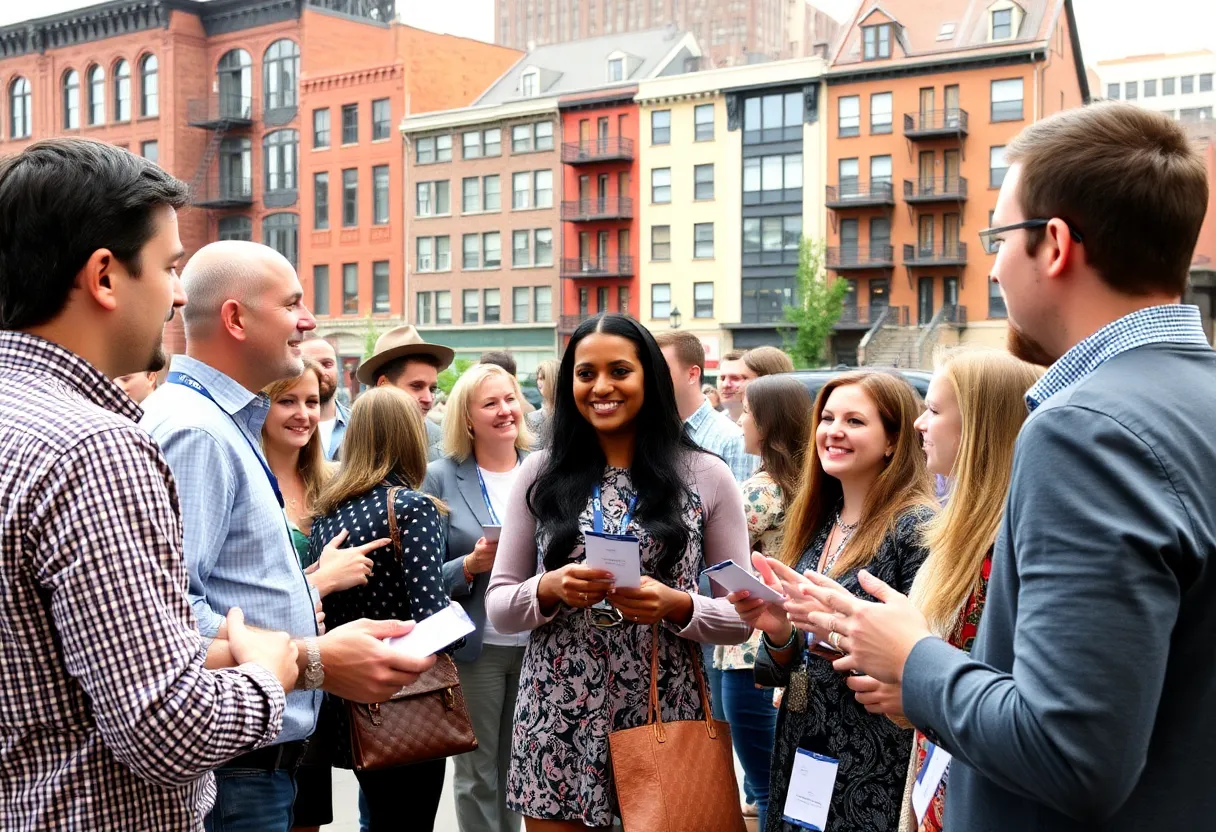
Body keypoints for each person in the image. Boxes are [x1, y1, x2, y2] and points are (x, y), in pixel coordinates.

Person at [789, 103, 1216, 832]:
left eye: (999, 238)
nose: (991, 265)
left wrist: (914, 658)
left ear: (1055, 246)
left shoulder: (1084, 429)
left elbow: (1071, 752)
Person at [0, 137, 298, 829]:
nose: (178, 295)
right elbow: (167, 730)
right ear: (105, 277)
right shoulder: (93, 448)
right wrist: (270, 674)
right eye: (168, 267)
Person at [141, 241, 436, 832]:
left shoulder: (217, 424)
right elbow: (168, 614)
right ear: (235, 318)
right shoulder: (198, 432)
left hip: (252, 759)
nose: (308, 320)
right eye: (292, 304)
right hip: (237, 767)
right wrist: (313, 658)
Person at [485, 313, 752, 831]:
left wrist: (679, 605)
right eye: (586, 374)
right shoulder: (539, 472)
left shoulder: (706, 474)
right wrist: (549, 587)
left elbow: (742, 617)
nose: (601, 387)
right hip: (556, 714)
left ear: (649, 378)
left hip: (662, 709)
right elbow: (499, 605)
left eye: (620, 371)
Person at [729, 371, 935, 831]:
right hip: (804, 745)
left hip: (872, 762)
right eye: (826, 418)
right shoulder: (817, 522)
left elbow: (927, 658)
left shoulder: (915, 529)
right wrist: (779, 630)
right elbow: (785, 667)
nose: (834, 431)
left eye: (854, 421)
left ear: (892, 441)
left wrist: (834, 629)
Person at [309, 386, 452, 831]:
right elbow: (432, 615)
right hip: (409, 699)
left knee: (380, 818)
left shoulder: (327, 515)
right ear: (411, 437)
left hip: (349, 702)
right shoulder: (412, 506)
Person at [260, 362, 394, 832]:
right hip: (267, 675)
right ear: (261, 406)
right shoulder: (249, 478)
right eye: (287, 401)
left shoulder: (333, 482)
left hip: (321, 678)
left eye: (312, 402)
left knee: (309, 818)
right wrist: (322, 579)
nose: (303, 414)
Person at [423, 363, 533, 832]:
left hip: (539, 642)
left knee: (519, 771)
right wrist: (469, 565)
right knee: (477, 772)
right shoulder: (440, 477)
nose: (505, 410)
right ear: (466, 418)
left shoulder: (543, 468)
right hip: (477, 647)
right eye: (490, 403)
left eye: (510, 398)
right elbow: (423, 578)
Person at [718, 375, 814, 828]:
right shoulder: (806, 484)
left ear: (769, 424)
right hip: (788, 643)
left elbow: (712, 549)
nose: (740, 420)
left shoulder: (762, 489)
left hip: (751, 650)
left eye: (749, 412)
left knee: (766, 786)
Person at [657, 330, 759, 482]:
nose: (652, 377)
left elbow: (741, 496)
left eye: (661, 369)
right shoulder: (652, 430)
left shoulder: (732, 438)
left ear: (692, 374)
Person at [357, 325, 454, 461]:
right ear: (383, 384)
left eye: (432, 389)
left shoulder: (445, 450)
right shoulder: (349, 443)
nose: (428, 399)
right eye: (416, 386)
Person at [300, 335, 349, 460]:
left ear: (338, 369)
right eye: (310, 365)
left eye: (327, 364)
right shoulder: (281, 428)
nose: (321, 372)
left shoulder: (359, 425)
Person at [526, 358, 559, 448]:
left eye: (542, 378)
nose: (538, 382)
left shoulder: (575, 414)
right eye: (538, 378)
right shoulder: (533, 417)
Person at [717, 349, 752, 422]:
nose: (725, 385)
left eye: (735, 378)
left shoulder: (770, 423)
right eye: (722, 378)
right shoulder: (713, 423)